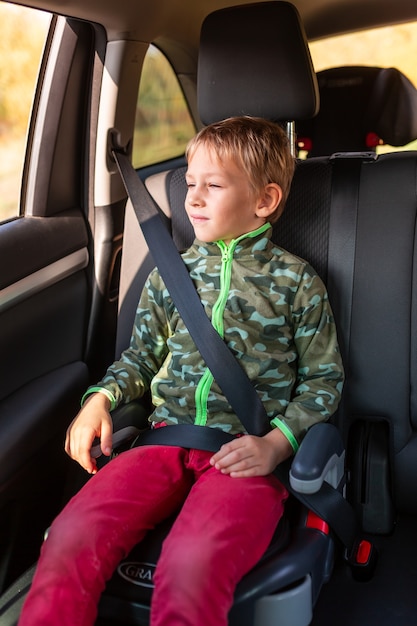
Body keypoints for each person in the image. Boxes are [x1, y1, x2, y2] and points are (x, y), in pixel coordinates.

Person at [19, 116, 344, 626]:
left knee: (193, 562)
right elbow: (141, 356)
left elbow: (324, 381)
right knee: (69, 536)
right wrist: (100, 399)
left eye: (213, 186)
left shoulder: (295, 281)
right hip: (164, 439)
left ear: (265, 201)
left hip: (244, 451)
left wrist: (276, 445)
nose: (192, 199)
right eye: (190, 184)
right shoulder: (170, 275)